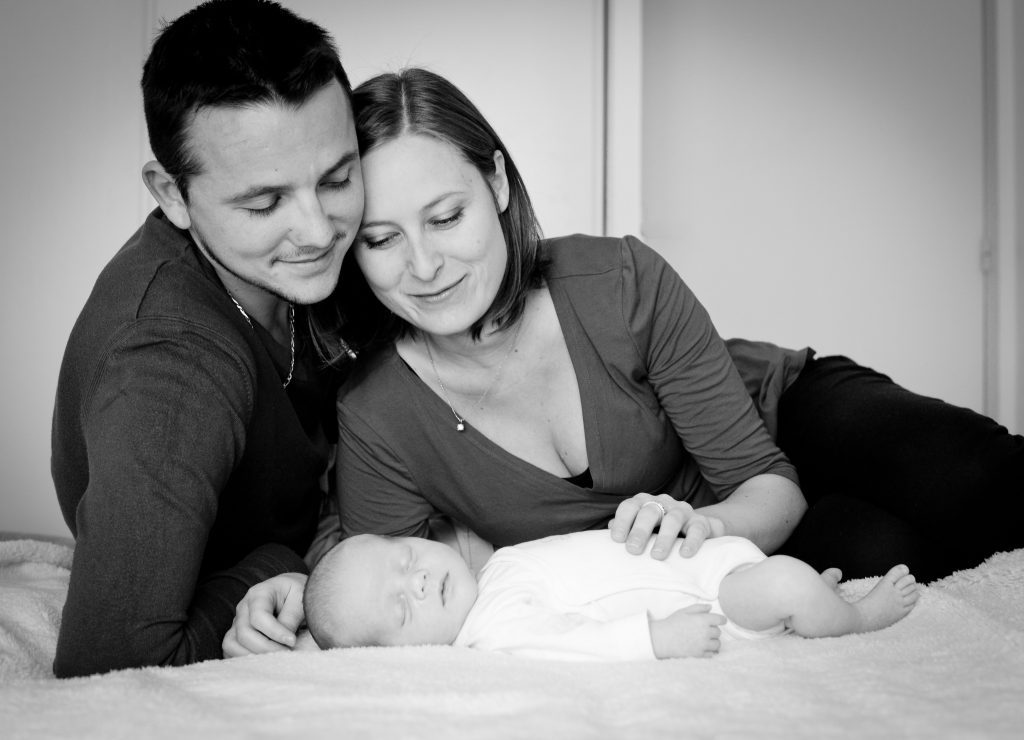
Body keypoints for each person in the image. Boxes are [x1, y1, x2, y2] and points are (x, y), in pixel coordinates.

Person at [225, 67, 1022, 656]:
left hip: (779, 421)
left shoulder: (615, 280)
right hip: (716, 560)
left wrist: (703, 521)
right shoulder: (380, 411)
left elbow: (767, 484)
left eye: (446, 216)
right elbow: (379, 578)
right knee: (887, 553)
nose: (425, 265)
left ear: (497, 182)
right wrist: (299, 594)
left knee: (975, 480)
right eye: (382, 239)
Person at [49, 0, 362, 677]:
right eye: (263, 203)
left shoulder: (341, 251)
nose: (317, 229)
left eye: (338, 177)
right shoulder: (167, 362)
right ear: (171, 194)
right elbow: (110, 664)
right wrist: (280, 566)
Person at [303, 531, 920, 661]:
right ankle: (856, 617)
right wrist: (655, 638)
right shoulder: (495, 628)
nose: (417, 579)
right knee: (785, 582)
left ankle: (812, 603)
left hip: (703, 560)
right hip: (712, 601)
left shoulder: (495, 570)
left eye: (405, 557)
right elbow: (576, 644)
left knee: (789, 578)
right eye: (403, 606)